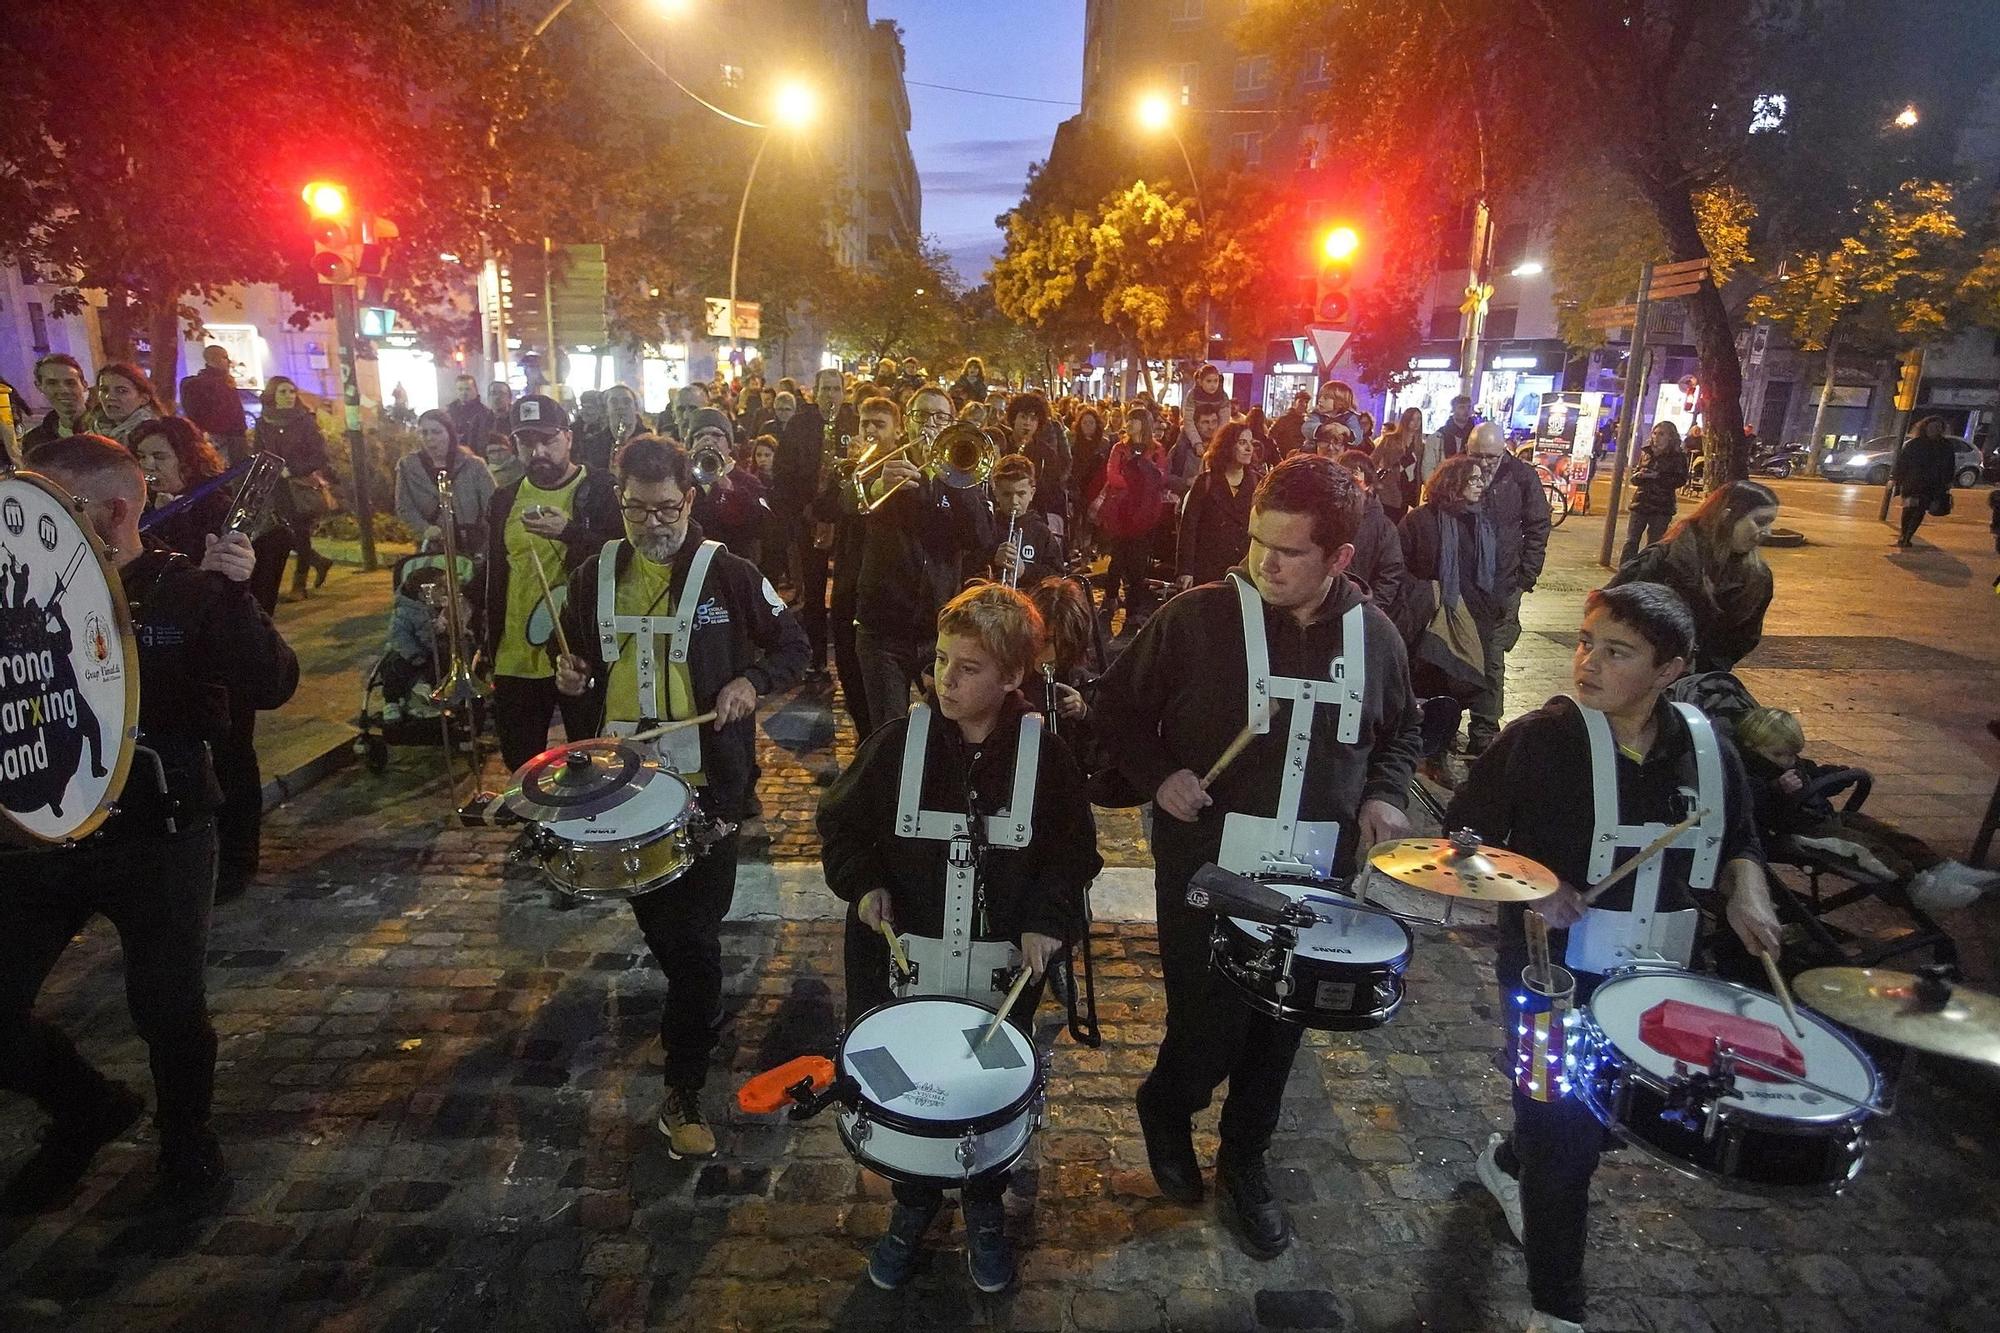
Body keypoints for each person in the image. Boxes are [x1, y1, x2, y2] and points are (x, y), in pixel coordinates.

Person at [1094, 455, 1422, 1260]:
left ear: (1340, 557)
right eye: (1256, 542)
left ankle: (1246, 1160)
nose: (1264, 563)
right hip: (1208, 869)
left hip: (1316, 876)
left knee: (1281, 1028)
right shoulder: (1195, 619)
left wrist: (1386, 793)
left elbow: (1402, 732)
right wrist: (1158, 775)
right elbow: (1116, 708)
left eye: (1289, 550)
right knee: (1206, 1020)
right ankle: (1169, 1104)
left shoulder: (1375, 636)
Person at [1447, 582, 1781, 1333]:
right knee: (1565, 1138)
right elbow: (1463, 841)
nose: (1589, 661)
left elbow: (1740, 842)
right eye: (1586, 640)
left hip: (1661, 984)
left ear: (1670, 669)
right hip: (1548, 984)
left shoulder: (1709, 751)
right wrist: (1533, 888)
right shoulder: (1537, 741)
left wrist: (1748, 889)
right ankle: (1556, 1308)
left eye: (1617, 651)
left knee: (1605, 1122)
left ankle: (1512, 1161)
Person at [0, 435, 298, 1216]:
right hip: (43, 835)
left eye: (52, 504)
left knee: (167, 1006)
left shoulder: (180, 588)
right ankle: (86, 1107)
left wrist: (236, 594)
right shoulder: (16, 589)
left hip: (157, 832)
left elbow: (272, 683)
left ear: (113, 511)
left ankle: (187, 1136)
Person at [817, 583, 1101, 1293]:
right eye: (942, 660)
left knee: (979, 1093)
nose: (946, 679)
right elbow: (844, 828)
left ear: (1012, 677)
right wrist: (865, 884)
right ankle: (912, 1205)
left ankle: (982, 1207)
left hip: (998, 976)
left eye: (968, 667)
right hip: (900, 973)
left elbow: (1073, 854)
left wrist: (1048, 918)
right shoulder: (896, 743)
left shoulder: (1048, 758)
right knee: (909, 1092)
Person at [550, 435, 808, 1159]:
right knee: (674, 940)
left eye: (666, 508)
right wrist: (568, 680)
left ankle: (684, 1085)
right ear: (619, 499)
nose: (653, 523)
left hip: (709, 793)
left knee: (696, 944)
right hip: (621, 790)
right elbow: (574, 662)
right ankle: (690, 1019)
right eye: (637, 508)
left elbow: (794, 645)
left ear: (688, 500)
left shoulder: (730, 572)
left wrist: (748, 682)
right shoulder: (590, 576)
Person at [478, 394, 622, 770]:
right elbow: (498, 565)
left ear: (569, 438)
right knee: (522, 765)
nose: (538, 451)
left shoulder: (600, 490)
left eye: (548, 440)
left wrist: (571, 532)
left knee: (590, 760)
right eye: (527, 443)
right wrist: (465, 597)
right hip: (516, 657)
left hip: (577, 655)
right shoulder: (504, 499)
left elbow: (624, 556)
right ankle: (536, 828)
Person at [852, 391, 997, 731]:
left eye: (940, 418)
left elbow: (981, 538)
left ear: (952, 423)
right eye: (922, 416)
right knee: (887, 730)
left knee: (948, 726)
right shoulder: (881, 464)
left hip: (940, 629)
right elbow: (842, 503)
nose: (930, 425)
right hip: (883, 627)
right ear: (907, 422)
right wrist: (875, 490)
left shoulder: (966, 473)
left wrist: (957, 482)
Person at [1610, 480, 1778, 674]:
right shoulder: (1663, 560)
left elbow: (1744, 639)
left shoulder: (1758, 578)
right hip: (1644, 678)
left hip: (1699, 684)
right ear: (1727, 517)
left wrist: (1706, 669)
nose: (1767, 532)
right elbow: (1611, 612)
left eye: (1770, 523)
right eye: (1760, 522)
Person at [1463, 422, 1551, 754]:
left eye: (1490, 456)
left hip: (1503, 582)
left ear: (1504, 450)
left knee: (1491, 657)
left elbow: (1538, 525)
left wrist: (1526, 576)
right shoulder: (1462, 471)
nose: (1484, 463)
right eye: (1476, 455)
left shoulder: (1521, 476)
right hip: (1466, 581)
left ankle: (1484, 729)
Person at [1398, 456, 1502, 726]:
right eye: (1474, 479)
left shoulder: (1481, 522)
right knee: (1429, 681)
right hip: (1431, 617)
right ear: (1454, 483)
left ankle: (1444, 738)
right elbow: (1398, 566)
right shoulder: (1421, 520)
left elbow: (1492, 569)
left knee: (1460, 683)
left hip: (1472, 615)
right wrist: (1426, 593)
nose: (1481, 485)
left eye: (1482, 479)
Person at [773, 367, 854, 679]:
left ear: (844, 393)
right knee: (814, 591)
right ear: (815, 393)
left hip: (845, 520)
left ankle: (847, 659)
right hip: (809, 518)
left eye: (836, 389)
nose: (831, 395)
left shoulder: (852, 423)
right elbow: (783, 473)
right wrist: (803, 508)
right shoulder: (800, 424)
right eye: (826, 389)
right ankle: (816, 658)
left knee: (846, 591)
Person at [251, 376, 337, 601]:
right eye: (283, 392)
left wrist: (292, 470)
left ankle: (299, 585)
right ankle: (318, 561)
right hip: (274, 486)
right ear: (273, 395)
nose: (289, 396)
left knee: (299, 532)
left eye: (291, 391)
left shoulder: (305, 421)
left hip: (298, 486)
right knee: (282, 532)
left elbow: (319, 456)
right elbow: (259, 452)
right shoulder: (264, 423)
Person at [1087, 404, 1169, 636]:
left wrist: (1138, 480)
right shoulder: (1119, 448)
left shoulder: (1156, 450)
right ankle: (1111, 599)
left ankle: (1133, 610)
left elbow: (1160, 477)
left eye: (1134, 420)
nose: (1129, 424)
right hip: (1121, 513)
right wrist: (1137, 482)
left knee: (1137, 564)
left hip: (1145, 514)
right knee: (1117, 559)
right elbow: (1112, 476)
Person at [395, 409, 496, 556]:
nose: (429, 438)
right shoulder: (408, 467)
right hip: (433, 548)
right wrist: (425, 529)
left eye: (436, 432)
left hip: (474, 547)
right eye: (424, 433)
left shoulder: (474, 465)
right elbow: (404, 506)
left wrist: (485, 536)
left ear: (449, 434)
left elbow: (492, 504)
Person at [1176, 420, 1259, 589]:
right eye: (1242, 443)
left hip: (1242, 571)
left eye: (1251, 443)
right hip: (1208, 568)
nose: (1249, 449)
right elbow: (1189, 527)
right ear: (1228, 445)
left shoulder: (1257, 483)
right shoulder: (1206, 481)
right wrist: (1186, 569)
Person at [132, 416, 230, 559]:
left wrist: (172, 521)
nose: (147, 465)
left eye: (159, 457)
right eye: (141, 456)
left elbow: (190, 560)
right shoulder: (142, 501)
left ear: (187, 460)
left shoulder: (216, 506)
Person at [686, 407, 768, 567]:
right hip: (692, 566)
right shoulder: (682, 482)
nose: (708, 440)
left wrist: (726, 487)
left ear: (729, 445)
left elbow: (762, 526)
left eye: (716, 435)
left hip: (734, 566)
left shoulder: (749, 482)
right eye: (699, 436)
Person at [1335, 450, 1407, 616]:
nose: (1348, 479)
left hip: (1357, 610)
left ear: (1367, 483)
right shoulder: (1324, 515)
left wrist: (1368, 609)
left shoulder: (1383, 527)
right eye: (1342, 472)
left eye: (1353, 473)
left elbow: (1390, 575)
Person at [1619, 421, 1690, 566]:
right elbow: (1635, 477)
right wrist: (1640, 475)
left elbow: (1680, 479)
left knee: (1654, 543)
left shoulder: (1677, 457)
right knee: (1631, 540)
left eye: (1661, 434)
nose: (1657, 437)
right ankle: (1625, 569)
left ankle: (1646, 570)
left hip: (1661, 505)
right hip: (1641, 502)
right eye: (1655, 433)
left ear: (1670, 437)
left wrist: (1657, 476)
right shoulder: (1646, 452)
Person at [989, 453, 1065, 589]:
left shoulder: (1041, 532)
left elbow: (1058, 575)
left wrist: (1025, 571)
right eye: (1006, 494)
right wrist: (992, 558)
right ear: (996, 493)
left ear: (1032, 493)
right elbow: (968, 568)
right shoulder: (987, 527)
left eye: (1021, 494)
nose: (1014, 502)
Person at [1005, 392, 1070, 531]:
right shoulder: (1002, 445)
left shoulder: (1046, 453)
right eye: (1023, 417)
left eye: (1033, 419)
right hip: (1002, 517)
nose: (1027, 423)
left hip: (1034, 519)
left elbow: (1053, 489)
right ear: (1013, 419)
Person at [178, 345, 249, 465]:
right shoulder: (207, 384)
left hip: (230, 438)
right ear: (212, 359)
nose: (229, 362)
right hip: (222, 438)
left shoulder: (223, 382)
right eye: (225, 357)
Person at [1893, 415, 1958, 548]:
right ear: (1925, 428)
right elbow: (1902, 463)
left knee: (1920, 510)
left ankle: (1907, 537)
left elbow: (1950, 465)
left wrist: (1948, 482)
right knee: (1908, 509)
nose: (1935, 430)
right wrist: (1896, 479)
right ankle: (1904, 534)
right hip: (1912, 483)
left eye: (1938, 427)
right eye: (1932, 427)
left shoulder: (1945, 446)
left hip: (1932, 485)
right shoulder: (1914, 444)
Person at [19, 353, 94, 456]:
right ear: (39, 386)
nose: (63, 390)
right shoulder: (35, 441)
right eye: (52, 383)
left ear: (84, 385)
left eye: (70, 383)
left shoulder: (109, 430)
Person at [94, 361, 165, 448]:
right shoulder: (92, 432)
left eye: (122, 391)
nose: (109, 397)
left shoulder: (156, 436)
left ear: (144, 399)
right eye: (104, 390)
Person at [1302, 379, 1365, 451]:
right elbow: (1307, 428)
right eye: (1320, 397)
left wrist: (1346, 431)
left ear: (1340, 403)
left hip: (1338, 451)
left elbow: (1358, 436)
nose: (1320, 400)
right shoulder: (1316, 414)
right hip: (1314, 450)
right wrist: (1325, 428)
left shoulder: (1349, 417)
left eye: (1325, 398)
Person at [446, 373, 497, 452]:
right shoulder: (448, 413)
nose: (464, 393)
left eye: (467, 389)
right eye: (460, 389)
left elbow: (484, 440)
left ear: (476, 390)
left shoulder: (485, 413)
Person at [1436, 394, 1476, 462]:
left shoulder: (1475, 435)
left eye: (1468, 407)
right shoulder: (1440, 435)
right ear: (1453, 409)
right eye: (1462, 407)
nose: (1466, 411)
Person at [1272, 390, 1309, 459]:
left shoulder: (1307, 421)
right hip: (1286, 456)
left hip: (1301, 457)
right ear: (1295, 402)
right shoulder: (1284, 419)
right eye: (1301, 401)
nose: (1303, 404)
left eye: (1306, 402)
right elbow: (1271, 436)